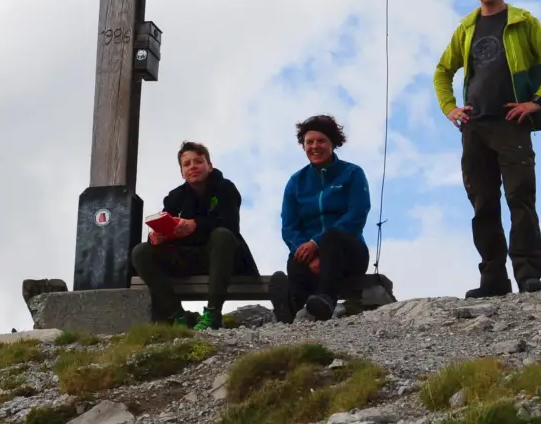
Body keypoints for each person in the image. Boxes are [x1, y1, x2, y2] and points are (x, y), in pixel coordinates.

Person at [433, 0, 541, 298]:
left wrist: (536, 101)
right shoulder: (466, 27)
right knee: (483, 204)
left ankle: (528, 276)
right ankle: (493, 279)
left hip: (512, 124)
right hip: (474, 128)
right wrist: (449, 108)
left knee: (520, 199)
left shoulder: (523, 22)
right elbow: (442, 71)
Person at [130, 141, 259, 329]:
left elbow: (230, 226)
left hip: (226, 258)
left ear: (209, 165)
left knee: (221, 235)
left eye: (198, 161)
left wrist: (195, 226)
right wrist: (157, 237)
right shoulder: (175, 197)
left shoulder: (226, 188)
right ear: (182, 172)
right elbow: (164, 224)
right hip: (189, 258)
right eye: (187, 164)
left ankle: (213, 313)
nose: (193, 167)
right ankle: (176, 315)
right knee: (141, 252)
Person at [269, 115, 372, 323]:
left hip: (350, 254)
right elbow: (289, 227)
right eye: (309, 142)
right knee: (296, 257)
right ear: (303, 146)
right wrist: (309, 251)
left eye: (321, 141)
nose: (315, 146)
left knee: (332, 236)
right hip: (311, 256)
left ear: (332, 143)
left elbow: (356, 216)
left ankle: (326, 300)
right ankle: (292, 308)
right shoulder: (295, 182)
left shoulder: (352, 173)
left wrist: (317, 244)